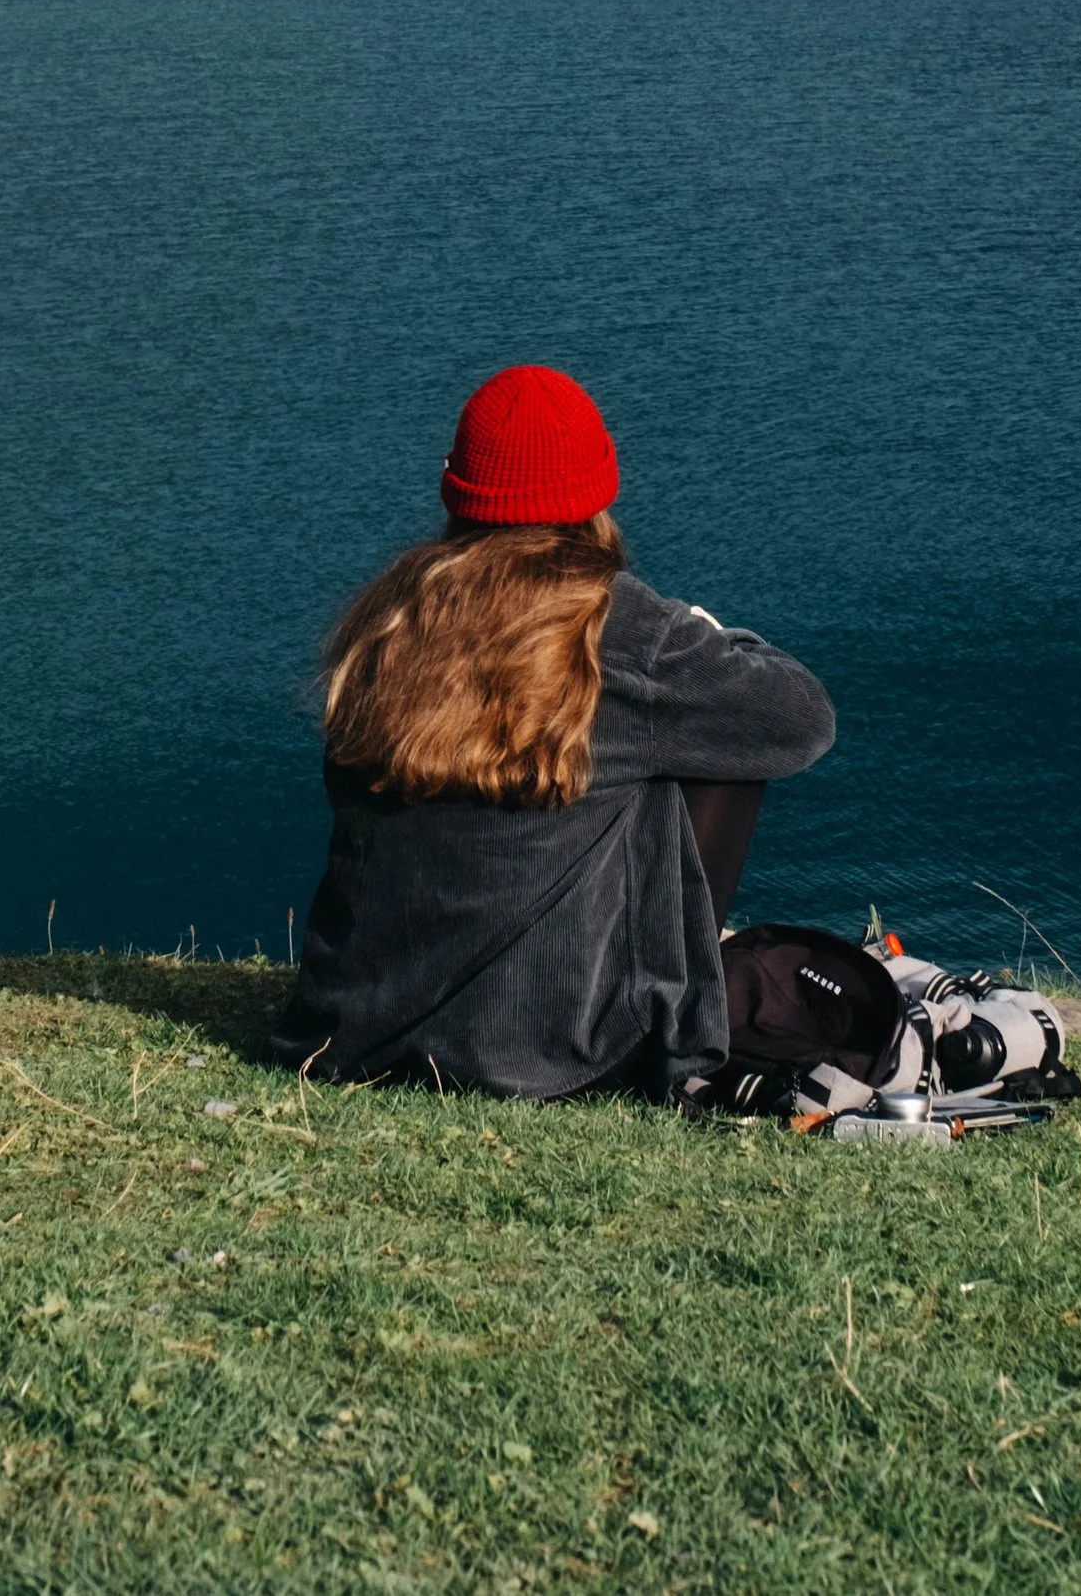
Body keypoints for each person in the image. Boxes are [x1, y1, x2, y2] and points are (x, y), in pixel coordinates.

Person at [275, 364, 835, 1098]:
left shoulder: (388, 619)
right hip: (554, 1052)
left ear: (458, 487)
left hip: (351, 1029)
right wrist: (717, 638)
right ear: (598, 490)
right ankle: (674, 1002)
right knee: (727, 740)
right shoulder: (620, 627)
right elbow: (801, 719)